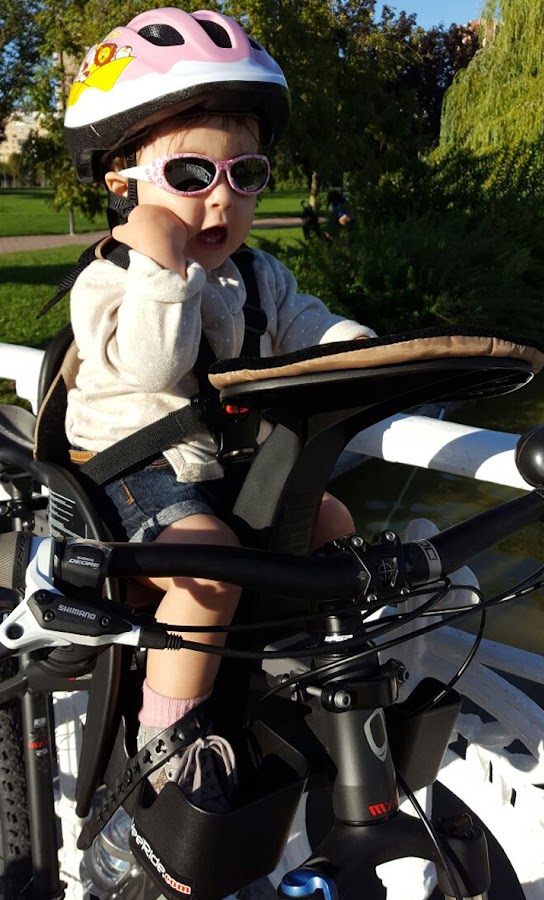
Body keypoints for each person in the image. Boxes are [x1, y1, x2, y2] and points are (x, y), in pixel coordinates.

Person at [62, 7, 376, 813]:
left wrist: (371, 356)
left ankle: (315, 669)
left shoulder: (257, 276)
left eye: (246, 175)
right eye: (191, 175)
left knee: (331, 522)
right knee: (209, 569)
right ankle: (168, 749)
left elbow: (314, 331)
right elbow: (156, 362)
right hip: (130, 472)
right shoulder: (111, 280)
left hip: (220, 466)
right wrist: (161, 267)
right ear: (123, 184)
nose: (220, 200)